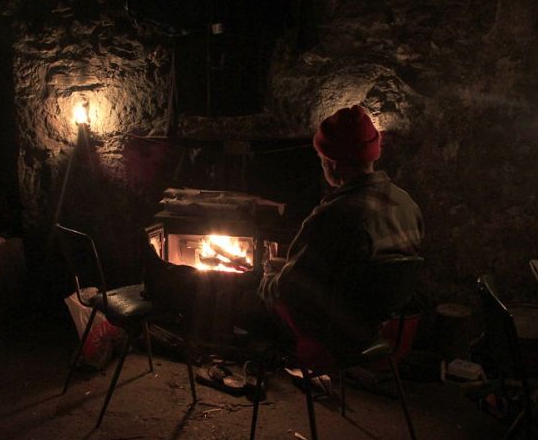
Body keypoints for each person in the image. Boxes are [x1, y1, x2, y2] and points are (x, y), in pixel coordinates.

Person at [143, 105, 423, 366]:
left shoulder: (337, 214)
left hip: (325, 331)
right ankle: (169, 280)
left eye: (321, 158)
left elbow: (285, 293)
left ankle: (162, 283)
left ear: (332, 164)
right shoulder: (407, 204)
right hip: (369, 326)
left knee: (216, 288)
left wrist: (265, 279)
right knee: (244, 280)